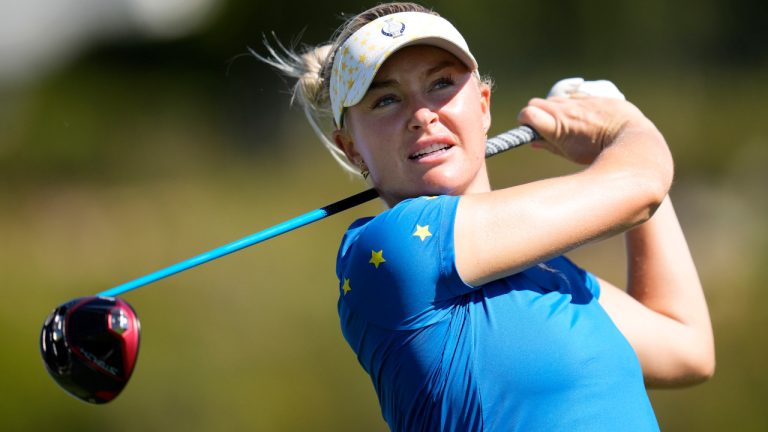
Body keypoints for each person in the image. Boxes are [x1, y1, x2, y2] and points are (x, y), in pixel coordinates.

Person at [256, 2, 715, 430]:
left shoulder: (550, 273)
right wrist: (623, 127)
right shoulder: (390, 249)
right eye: (385, 100)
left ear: (482, 106)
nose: (421, 115)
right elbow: (638, 186)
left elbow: (687, 347)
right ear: (350, 147)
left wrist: (623, 150)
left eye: (441, 84)